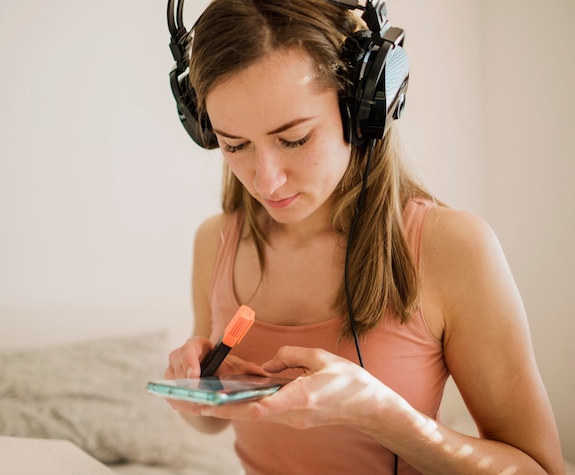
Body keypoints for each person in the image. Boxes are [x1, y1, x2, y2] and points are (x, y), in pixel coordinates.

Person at [164, 0, 565, 473]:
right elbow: (211, 422)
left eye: (294, 139)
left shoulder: (452, 248)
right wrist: (194, 387)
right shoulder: (215, 242)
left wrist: (382, 415)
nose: (266, 180)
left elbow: (543, 469)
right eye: (235, 145)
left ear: (364, 109)